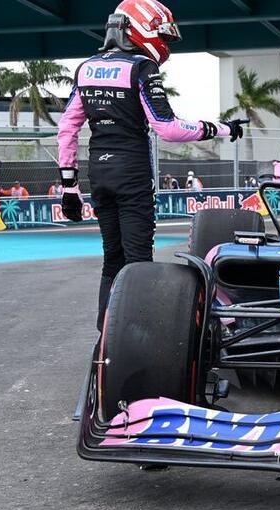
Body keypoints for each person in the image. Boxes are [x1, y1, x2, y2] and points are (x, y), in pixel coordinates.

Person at [56, 0, 246, 330]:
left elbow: (67, 127)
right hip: (132, 174)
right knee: (139, 262)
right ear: (140, 28)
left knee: (111, 259)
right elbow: (167, 127)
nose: (164, 44)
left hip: (97, 175)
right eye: (162, 36)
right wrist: (219, 127)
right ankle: (137, 342)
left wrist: (69, 187)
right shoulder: (141, 67)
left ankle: (105, 337)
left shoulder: (85, 69)